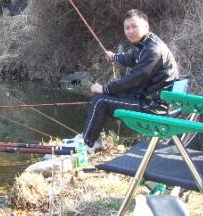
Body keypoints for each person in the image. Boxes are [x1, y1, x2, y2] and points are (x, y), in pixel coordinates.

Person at [68, 9, 179, 152]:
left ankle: (87, 143)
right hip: (148, 98)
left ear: (146, 25)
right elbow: (131, 58)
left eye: (134, 26)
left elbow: (133, 80)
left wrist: (105, 88)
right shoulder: (145, 44)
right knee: (101, 99)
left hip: (153, 107)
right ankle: (92, 138)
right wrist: (115, 56)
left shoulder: (153, 50)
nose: (130, 31)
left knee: (101, 100)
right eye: (127, 28)